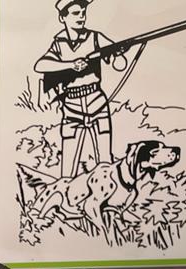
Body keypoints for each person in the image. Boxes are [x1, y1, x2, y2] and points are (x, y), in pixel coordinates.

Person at [34, 0, 128, 178]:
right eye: (76, 13)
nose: (81, 17)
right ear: (63, 17)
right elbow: (40, 65)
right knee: (67, 171)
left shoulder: (95, 37)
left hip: (97, 103)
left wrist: (118, 52)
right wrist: (71, 65)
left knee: (106, 165)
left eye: (83, 13)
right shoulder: (59, 42)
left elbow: (120, 63)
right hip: (71, 107)